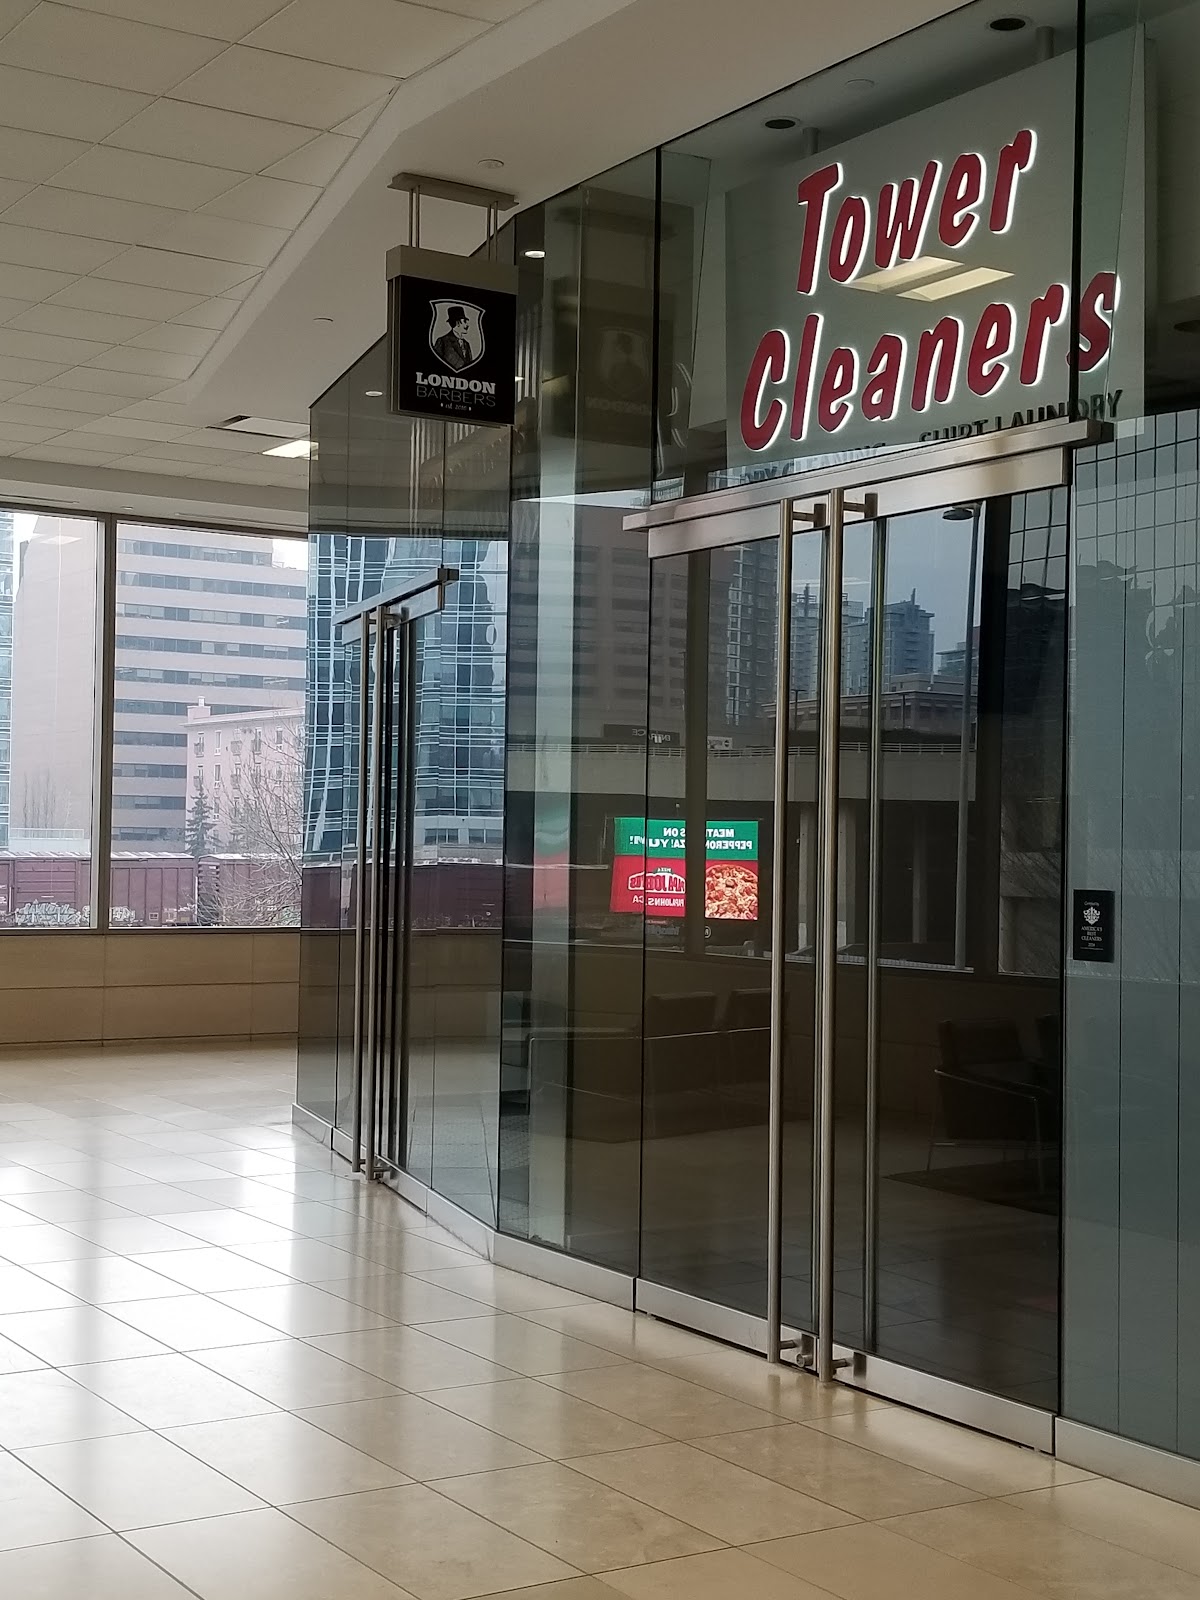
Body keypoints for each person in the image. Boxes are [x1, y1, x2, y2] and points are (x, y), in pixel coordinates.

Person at [433, 307, 474, 372]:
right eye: (464, 321)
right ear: (458, 323)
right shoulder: (443, 341)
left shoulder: (466, 344)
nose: (467, 325)